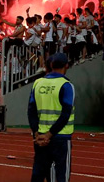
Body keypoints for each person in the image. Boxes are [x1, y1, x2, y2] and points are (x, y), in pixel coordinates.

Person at [28, 53, 75, 182]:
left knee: (38, 173)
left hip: (40, 137)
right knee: (60, 176)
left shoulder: (37, 83)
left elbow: (31, 111)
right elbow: (65, 114)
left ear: (51, 65)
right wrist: (50, 134)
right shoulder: (66, 85)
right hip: (60, 137)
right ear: (66, 66)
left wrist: (37, 133)